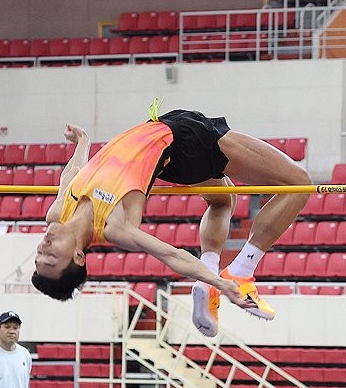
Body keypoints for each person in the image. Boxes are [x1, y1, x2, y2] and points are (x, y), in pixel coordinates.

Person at [31, 108, 311, 338]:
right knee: (298, 183)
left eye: (39, 255)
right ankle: (241, 270)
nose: (44, 246)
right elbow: (171, 255)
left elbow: (72, 173)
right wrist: (223, 284)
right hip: (186, 140)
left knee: (223, 200)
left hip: (169, 150)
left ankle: (210, 274)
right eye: (52, 257)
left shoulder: (58, 214)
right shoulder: (115, 226)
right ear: (79, 257)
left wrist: (82, 142)